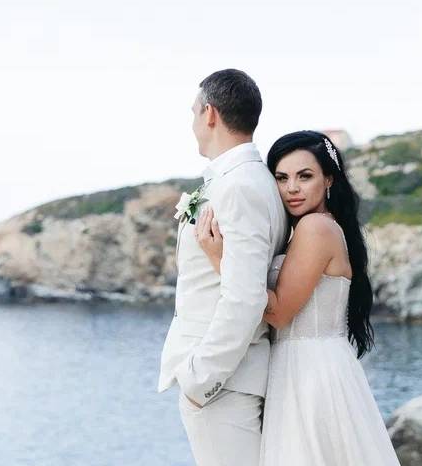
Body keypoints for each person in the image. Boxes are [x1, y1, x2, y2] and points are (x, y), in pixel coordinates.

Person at [195, 130, 400, 465]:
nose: (292, 188)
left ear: (329, 180)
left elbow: (278, 313)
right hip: (310, 364)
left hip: (310, 371)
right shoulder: (314, 228)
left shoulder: (316, 228)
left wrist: (220, 259)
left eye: (305, 176)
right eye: (281, 177)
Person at [157, 69, 288, 466]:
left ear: (209, 114)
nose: (192, 122)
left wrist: (202, 378)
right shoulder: (245, 180)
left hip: (224, 384)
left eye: (193, 112)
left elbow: (246, 295)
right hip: (229, 382)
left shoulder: (240, 186)